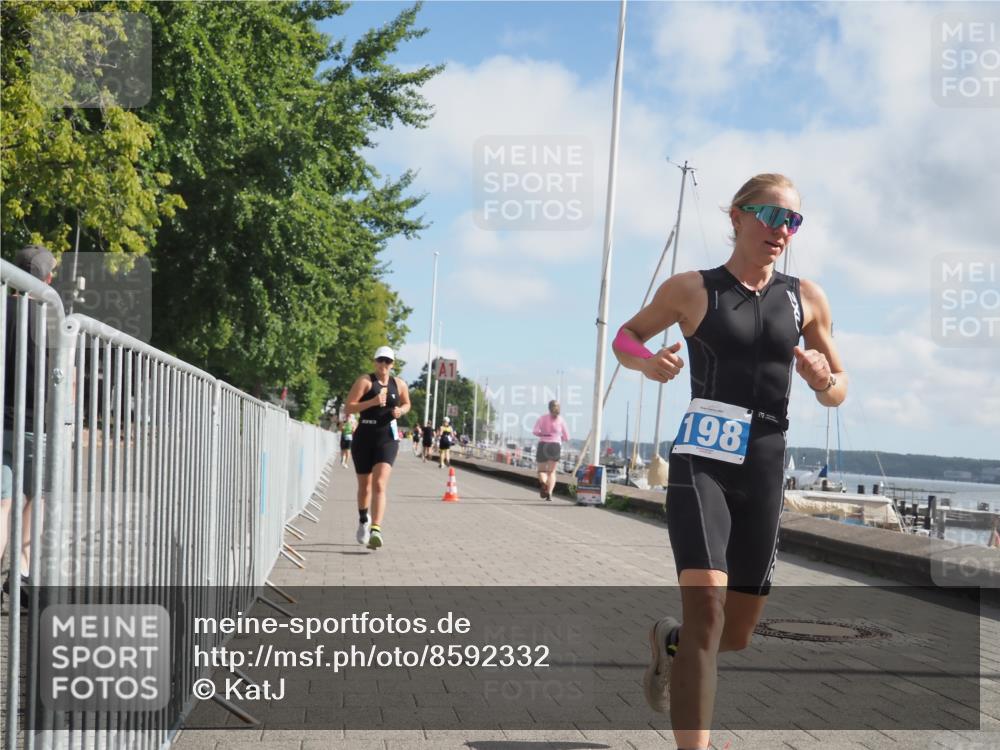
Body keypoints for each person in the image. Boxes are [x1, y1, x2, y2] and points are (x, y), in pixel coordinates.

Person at [612, 174, 847, 750]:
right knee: (708, 612)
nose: (783, 230)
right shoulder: (693, 289)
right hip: (703, 461)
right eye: (772, 215)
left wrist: (824, 381)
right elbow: (626, 336)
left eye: (793, 221)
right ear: (738, 216)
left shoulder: (807, 298)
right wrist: (647, 363)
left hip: (765, 461)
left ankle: (671, 644)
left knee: (735, 634)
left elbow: (839, 387)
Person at [2, 244, 57, 606]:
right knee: (38, 498)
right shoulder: (52, 318)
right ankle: (20, 572)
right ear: (48, 278)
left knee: (2, 502)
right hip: (36, 425)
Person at [343, 346, 411, 550]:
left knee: (380, 483)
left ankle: (376, 529)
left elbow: (407, 404)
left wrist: (401, 411)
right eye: (380, 360)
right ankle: (364, 519)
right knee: (365, 486)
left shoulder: (399, 384)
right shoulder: (365, 381)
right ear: (375, 361)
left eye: (387, 361)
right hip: (364, 436)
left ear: (392, 364)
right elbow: (349, 407)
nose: (383, 364)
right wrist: (372, 401)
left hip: (387, 438)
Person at [532, 400, 570, 500]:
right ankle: (549, 493)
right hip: (555, 446)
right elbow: (567, 437)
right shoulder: (561, 420)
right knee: (552, 472)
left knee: (541, 471)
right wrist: (558, 438)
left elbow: (535, 431)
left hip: (543, 444)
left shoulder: (542, 418)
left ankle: (544, 483)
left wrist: (543, 434)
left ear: (548, 408)